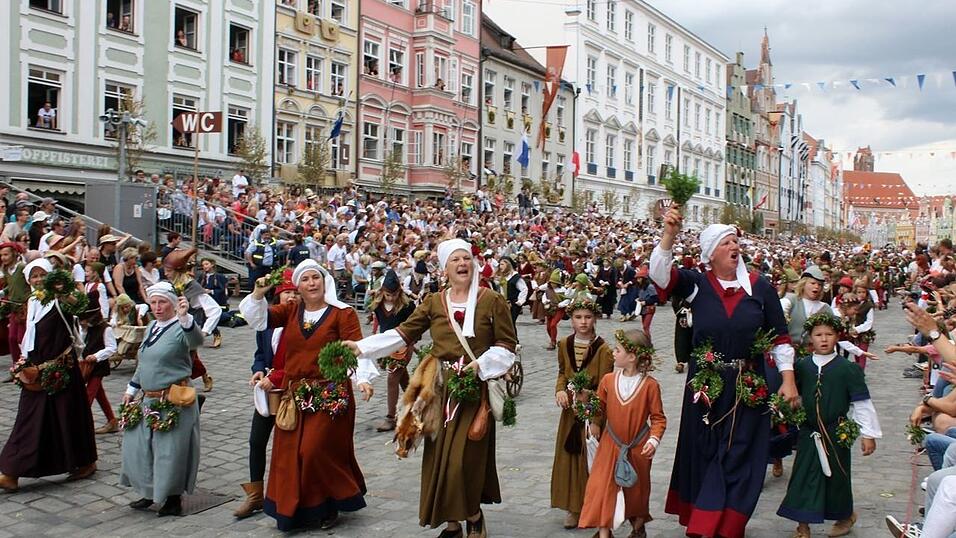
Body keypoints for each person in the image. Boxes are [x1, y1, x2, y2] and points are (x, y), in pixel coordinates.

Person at [344, 237, 518, 538]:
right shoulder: (435, 302)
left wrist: (483, 364)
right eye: (455, 260)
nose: (462, 264)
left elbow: (507, 344)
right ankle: (452, 526)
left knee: (463, 460)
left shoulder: (491, 301)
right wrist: (362, 348)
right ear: (445, 268)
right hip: (439, 389)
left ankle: (473, 514)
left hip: (473, 389)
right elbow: (402, 333)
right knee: (440, 457)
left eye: (466, 258)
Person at [650, 207, 797, 538]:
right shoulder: (696, 284)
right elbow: (659, 276)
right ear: (710, 253)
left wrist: (788, 380)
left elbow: (781, 338)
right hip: (706, 384)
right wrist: (669, 234)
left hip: (749, 385)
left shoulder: (760, 288)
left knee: (742, 453)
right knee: (706, 448)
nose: (735, 247)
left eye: (736, 242)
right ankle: (706, 520)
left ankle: (730, 524)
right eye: (726, 243)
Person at [238, 259, 376, 531]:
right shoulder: (291, 311)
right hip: (296, 395)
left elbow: (356, 348)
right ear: (298, 286)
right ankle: (300, 509)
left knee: (313, 450)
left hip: (331, 393)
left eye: (316, 278)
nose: (312, 283)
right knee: (291, 454)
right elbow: (258, 319)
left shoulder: (342, 313)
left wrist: (362, 379)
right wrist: (257, 293)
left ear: (325, 281)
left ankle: (331, 502)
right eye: (306, 279)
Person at [777, 312, 881, 538]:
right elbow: (792, 395)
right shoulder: (802, 367)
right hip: (808, 432)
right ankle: (802, 525)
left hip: (836, 432)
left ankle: (845, 515)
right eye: (818, 335)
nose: (823, 339)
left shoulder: (847, 369)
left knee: (837, 477)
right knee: (803, 475)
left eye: (829, 334)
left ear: (837, 337)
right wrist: (787, 409)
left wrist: (868, 434)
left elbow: (862, 402)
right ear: (810, 338)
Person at [0, 258, 98, 492]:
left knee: (69, 417)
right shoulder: (32, 300)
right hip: (36, 371)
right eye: (34, 276)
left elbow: (81, 307)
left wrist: (64, 292)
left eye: (42, 274)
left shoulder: (60, 299)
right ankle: (12, 470)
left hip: (61, 370)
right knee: (29, 419)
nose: (38, 279)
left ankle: (84, 462)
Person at [119, 283, 203, 516]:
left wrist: (186, 319)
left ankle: (173, 498)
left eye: (162, 302)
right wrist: (131, 389)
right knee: (141, 448)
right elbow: (144, 362)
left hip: (175, 399)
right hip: (150, 400)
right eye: (153, 302)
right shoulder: (152, 327)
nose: (157, 307)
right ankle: (149, 491)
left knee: (170, 451)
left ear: (173, 303)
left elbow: (196, 341)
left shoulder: (181, 327)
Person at [578, 328, 667, 538]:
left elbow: (658, 418)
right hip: (611, 444)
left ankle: (638, 526)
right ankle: (604, 531)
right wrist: (586, 403)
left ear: (632, 357)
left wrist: (653, 440)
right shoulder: (608, 380)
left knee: (635, 491)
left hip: (637, 447)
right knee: (601, 487)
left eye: (617, 350)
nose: (613, 353)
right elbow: (599, 407)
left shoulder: (650, 386)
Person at [233, 269, 298, 519]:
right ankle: (255, 495)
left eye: (294, 293)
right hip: (268, 392)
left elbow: (301, 361)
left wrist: (277, 377)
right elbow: (260, 354)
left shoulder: (302, 322)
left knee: (289, 447)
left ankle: (288, 495)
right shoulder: (267, 321)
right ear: (278, 297)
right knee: (256, 441)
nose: (291, 297)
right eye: (286, 293)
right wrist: (259, 371)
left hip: (292, 392)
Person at [550, 298, 614, 529]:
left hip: (591, 412)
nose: (583, 322)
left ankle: (592, 505)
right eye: (578, 317)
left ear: (595, 318)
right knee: (569, 459)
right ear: (572, 319)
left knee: (591, 459)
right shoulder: (564, 344)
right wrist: (560, 390)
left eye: (587, 317)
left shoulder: (604, 350)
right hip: (569, 414)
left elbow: (605, 385)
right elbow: (561, 372)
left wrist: (595, 417)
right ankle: (572, 507)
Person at [163, 248, 219, 392]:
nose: (165, 273)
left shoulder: (191, 286)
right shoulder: (169, 284)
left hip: (186, 328)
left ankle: (181, 392)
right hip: (170, 329)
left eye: (168, 270)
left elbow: (214, 310)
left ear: (177, 270)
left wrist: (205, 331)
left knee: (185, 360)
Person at [368, 270, 416, 432]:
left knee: (392, 378)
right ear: (383, 292)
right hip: (386, 345)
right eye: (388, 294)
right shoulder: (377, 305)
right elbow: (379, 323)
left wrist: (411, 344)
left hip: (403, 345)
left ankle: (390, 417)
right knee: (402, 378)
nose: (391, 298)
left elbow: (416, 325)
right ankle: (416, 404)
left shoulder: (407, 305)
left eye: (394, 294)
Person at [78, 295, 118, 434]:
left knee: (88, 396)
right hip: (87, 366)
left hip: (98, 367)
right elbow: (82, 343)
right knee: (99, 394)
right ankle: (112, 421)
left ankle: (79, 425)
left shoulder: (105, 329)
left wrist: (96, 356)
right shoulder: (86, 328)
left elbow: (112, 348)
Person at [0, 241, 29, 367]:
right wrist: (2, 293)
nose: (3, 258)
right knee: (11, 338)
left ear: (14, 254)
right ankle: (16, 366)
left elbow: (29, 284)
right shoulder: (6, 270)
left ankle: (25, 365)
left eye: (6, 255)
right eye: (1, 255)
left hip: (24, 308)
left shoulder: (22, 268)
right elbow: (10, 287)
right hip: (13, 308)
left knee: (21, 338)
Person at [198, 258, 228, 349]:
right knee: (204, 321)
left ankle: (217, 336)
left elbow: (222, 290)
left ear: (212, 264)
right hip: (205, 302)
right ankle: (210, 334)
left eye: (206, 264)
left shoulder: (219, 277)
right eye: (203, 265)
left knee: (211, 319)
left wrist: (210, 291)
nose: (205, 267)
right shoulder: (202, 276)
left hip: (215, 301)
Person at [497, 256, 528, 328]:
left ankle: (513, 339)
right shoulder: (503, 277)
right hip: (505, 303)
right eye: (500, 264)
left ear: (508, 265)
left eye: (502, 264)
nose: (500, 266)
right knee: (507, 324)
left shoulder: (515, 276)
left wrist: (520, 301)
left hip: (514, 304)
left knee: (510, 323)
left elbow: (524, 289)